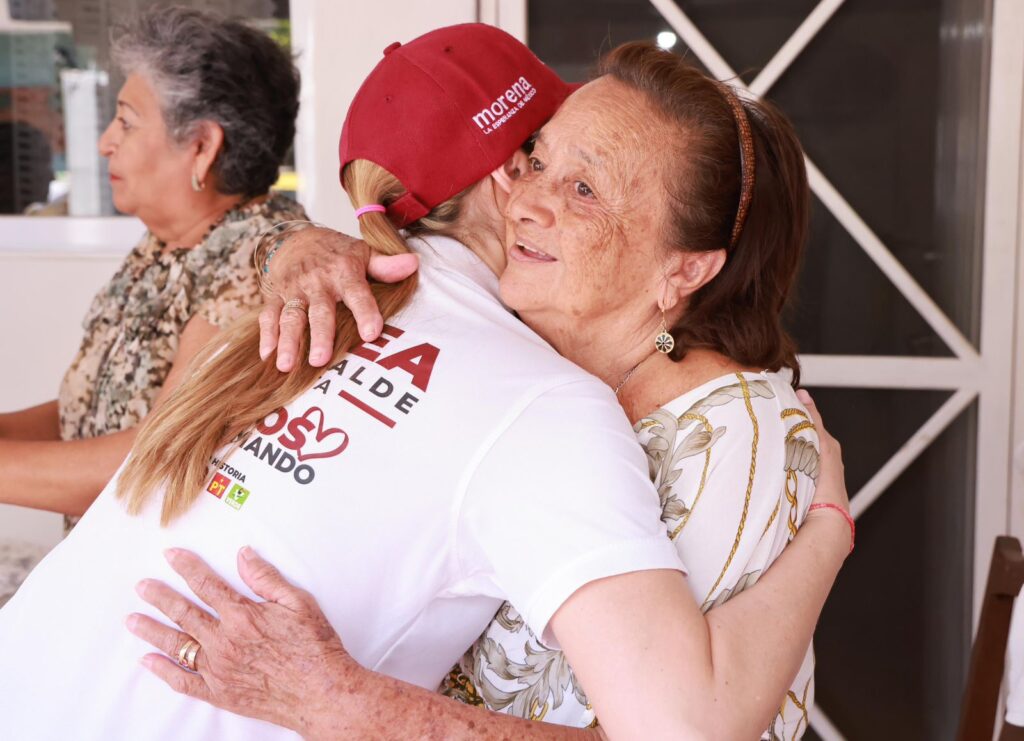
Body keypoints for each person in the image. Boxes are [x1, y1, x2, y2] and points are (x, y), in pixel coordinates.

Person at [0, 26, 848, 741]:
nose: (531, 199)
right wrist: (830, 538)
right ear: (498, 175)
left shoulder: (316, 312)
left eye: (582, 185)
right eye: (535, 160)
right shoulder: (526, 395)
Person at [0, 7, 305, 527]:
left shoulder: (263, 264)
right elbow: (89, 413)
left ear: (202, 147)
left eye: (126, 121)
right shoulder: (168, 245)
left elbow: (154, 460)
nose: (105, 142)